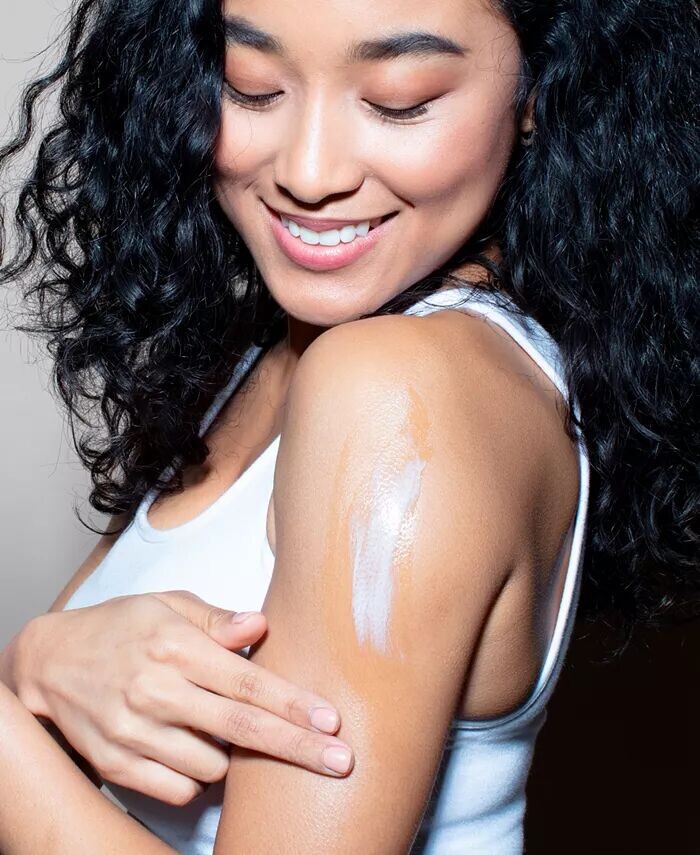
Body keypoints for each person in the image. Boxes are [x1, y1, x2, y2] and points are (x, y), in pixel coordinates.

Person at [0, 0, 696, 852]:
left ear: (538, 91)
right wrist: (38, 662)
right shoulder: (262, 355)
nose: (309, 170)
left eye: (399, 101)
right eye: (252, 86)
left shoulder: (399, 390)